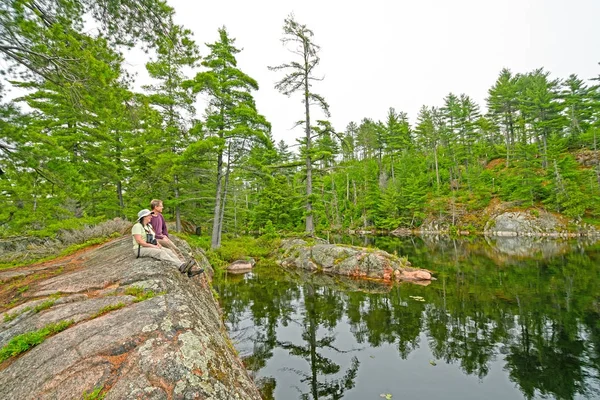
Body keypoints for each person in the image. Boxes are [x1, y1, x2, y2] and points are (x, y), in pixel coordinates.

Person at [132, 209, 201, 277]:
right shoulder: (137, 226)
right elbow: (139, 241)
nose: (151, 216)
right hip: (140, 249)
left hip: (149, 246)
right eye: (149, 215)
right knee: (161, 253)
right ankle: (181, 266)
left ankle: (186, 268)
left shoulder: (148, 226)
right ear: (144, 217)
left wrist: (158, 244)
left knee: (169, 251)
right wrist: (153, 246)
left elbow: (153, 238)